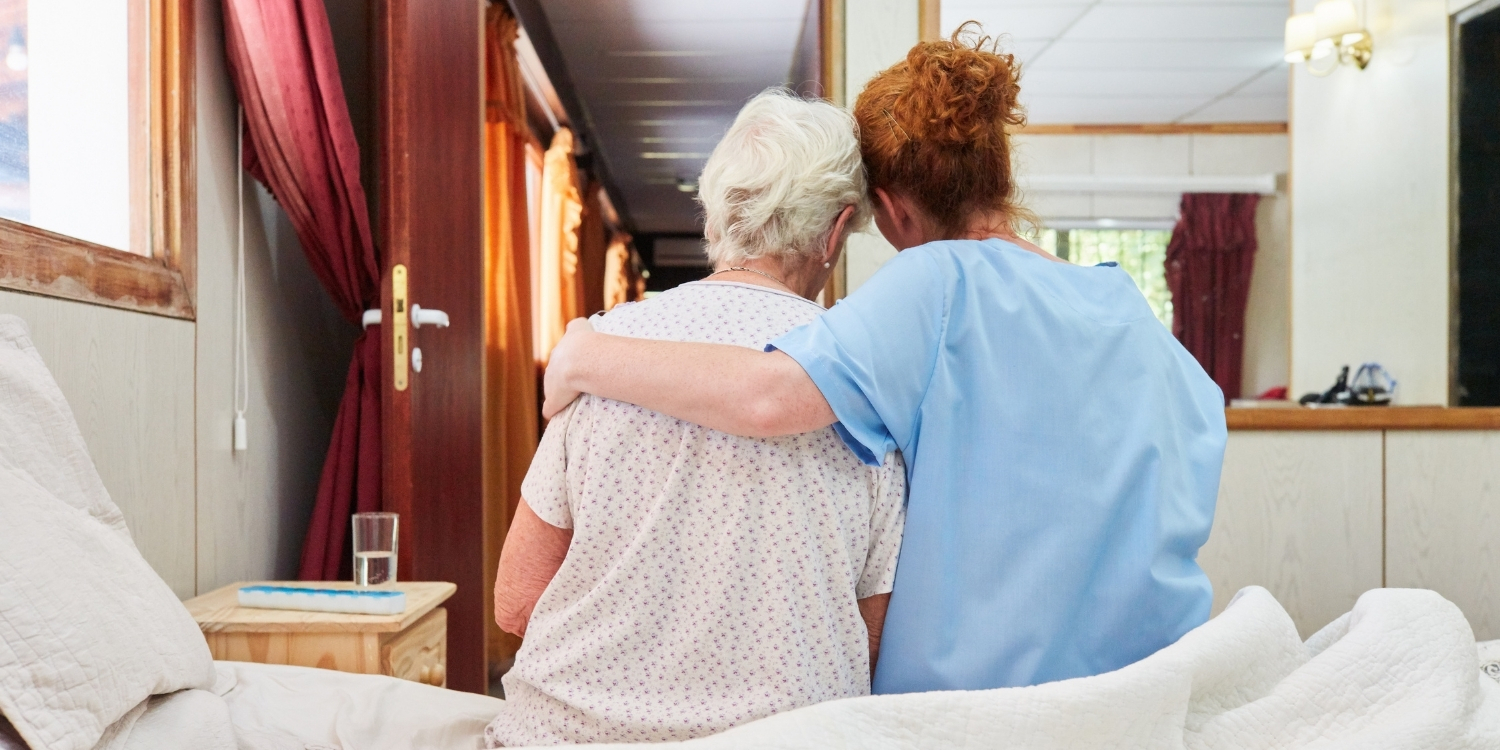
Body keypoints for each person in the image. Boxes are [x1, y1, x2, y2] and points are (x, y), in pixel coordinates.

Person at [541, 27, 1227, 695]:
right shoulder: (1120, 301)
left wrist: (585, 355)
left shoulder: (938, 280)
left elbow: (766, 398)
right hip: (1145, 687)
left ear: (894, 210)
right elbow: (1193, 445)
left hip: (975, 710)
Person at [485, 90, 907, 747]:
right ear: (834, 232)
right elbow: (874, 639)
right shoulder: (864, 386)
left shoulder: (602, 352)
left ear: (716, 213)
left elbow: (516, 601)